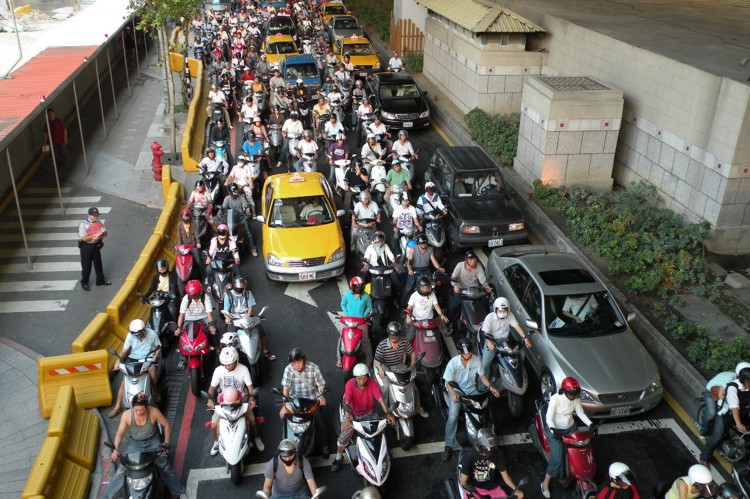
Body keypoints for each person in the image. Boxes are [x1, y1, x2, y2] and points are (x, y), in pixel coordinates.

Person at [104, 394, 186, 499]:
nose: (139, 412)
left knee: (165, 467)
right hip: (135, 443)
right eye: (136, 410)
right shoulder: (127, 415)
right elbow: (119, 434)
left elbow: (166, 426)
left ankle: (180, 492)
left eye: (141, 410)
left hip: (153, 441)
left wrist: (166, 444)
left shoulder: (153, 412)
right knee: (121, 470)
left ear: (146, 407)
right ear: (132, 407)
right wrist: (115, 450)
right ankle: (106, 497)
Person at [443, 338, 500, 462]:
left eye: (469, 352)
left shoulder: (476, 360)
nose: (468, 354)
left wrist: (491, 387)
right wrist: (453, 394)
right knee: (453, 417)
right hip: (457, 391)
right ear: (459, 352)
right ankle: (448, 445)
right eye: (465, 353)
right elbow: (448, 383)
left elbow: (483, 376)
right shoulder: (453, 363)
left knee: (484, 408)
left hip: (470, 390)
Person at [331, 363, 395, 472]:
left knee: (382, 432)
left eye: (364, 378)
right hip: (353, 415)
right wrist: (347, 419)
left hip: (370, 413)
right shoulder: (350, 385)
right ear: (355, 378)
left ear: (367, 377)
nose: (361, 381)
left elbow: (380, 399)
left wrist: (388, 413)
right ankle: (338, 457)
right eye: (359, 379)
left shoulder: (372, 383)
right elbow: (347, 402)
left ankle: (384, 452)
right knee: (343, 437)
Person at [541, 376, 594, 498]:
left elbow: (580, 413)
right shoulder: (555, 399)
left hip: (571, 428)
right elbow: (549, 418)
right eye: (571, 393)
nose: (573, 396)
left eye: (575, 393)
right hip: (555, 430)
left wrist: (590, 424)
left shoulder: (575, 398)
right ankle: (545, 484)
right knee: (558, 459)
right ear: (565, 391)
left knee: (582, 449)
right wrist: (554, 430)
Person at [207, 347, 265, 455]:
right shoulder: (218, 371)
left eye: (230, 364)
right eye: (225, 364)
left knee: (252, 421)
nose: (227, 366)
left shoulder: (243, 369)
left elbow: (250, 386)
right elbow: (211, 388)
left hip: (241, 400)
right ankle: (216, 442)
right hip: (223, 402)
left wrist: (251, 399)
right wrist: (210, 400)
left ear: (236, 360)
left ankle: (256, 438)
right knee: (214, 425)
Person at [279, 348, 330, 457]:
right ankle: (286, 444)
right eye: (294, 363)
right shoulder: (288, 370)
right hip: (294, 401)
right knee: (285, 420)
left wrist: (321, 395)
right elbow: (286, 388)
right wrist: (284, 405)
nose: (296, 365)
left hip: (311, 401)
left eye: (299, 362)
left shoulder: (314, 368)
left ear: (304, 360)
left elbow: (321, 384)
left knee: (320, 422)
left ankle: (324, 445)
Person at [107, 319, 162, 418]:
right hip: (134, 359)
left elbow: (158, 348)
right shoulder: (130, 336)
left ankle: (155, 391)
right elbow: (124, 351)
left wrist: (154, 358)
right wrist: (118, 361)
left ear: (143, 330)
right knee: (124, 383)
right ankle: (117, 407)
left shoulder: (152, 334)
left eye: (139, 333)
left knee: (152, 375)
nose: (137, 336)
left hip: (148, 357)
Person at [373, 321, 428, 418]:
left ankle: (418, 407)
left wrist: (412, 365)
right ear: (389, 334)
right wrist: (381, 369)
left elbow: (412, 353)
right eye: (392, 335)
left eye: (397, 335)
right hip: (386, 367)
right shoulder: (382, 345)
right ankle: (386, 411)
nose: (395, 337)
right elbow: (377, 361)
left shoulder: (404, 342)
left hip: (399, 365)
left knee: (412, 385)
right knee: (386, 387)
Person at [700, 362, 750, 466]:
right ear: (743, 380)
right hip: (726, 413)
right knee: (717, 436)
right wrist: (739, 424)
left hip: (743, 413)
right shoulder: (733, 387)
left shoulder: (747, 386)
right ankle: (704, 457)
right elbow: (734, 407)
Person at [460, 428, 525, 499]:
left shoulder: (498, 453)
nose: (491, 450)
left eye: (493, 447)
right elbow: (463, 482)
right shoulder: (469, 455)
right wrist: (470, 495)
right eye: (489, 448)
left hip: (492, 488)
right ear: (481, 446)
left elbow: (505, 475)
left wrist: (516, 490)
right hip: (474, 489)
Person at [223, 276, 275, 359]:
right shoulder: (228, 296)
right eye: (238, 287)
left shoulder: (248, 293)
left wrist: (247, 319)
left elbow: (250, 307)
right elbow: (226, 311)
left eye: (242, 286)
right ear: (234, 286)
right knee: (230, 337)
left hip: (247, 316)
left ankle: (265, 351)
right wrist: (227, 318)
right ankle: (231, 355)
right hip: (234, 319)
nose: (240, 288)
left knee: (260, 332)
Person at [480, 297, 532, 377]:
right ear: (495, 309)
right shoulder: (489, 318)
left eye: (504, 310)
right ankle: (482, 387)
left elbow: (516, 326)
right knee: (484, 365)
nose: (502, 312)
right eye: (500, 310)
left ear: (508, 310)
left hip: (504, 340)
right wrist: (489, 343)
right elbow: (486, 333)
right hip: (492, 340)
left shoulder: (510, 315)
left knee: (518, 354)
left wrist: (525, 338)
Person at [337, 276, 373, 368]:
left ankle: (369, 360)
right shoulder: (347, 294)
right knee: (342, 338)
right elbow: (343, 304)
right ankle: (339, 358)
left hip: (361, 321)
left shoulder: (366, 296)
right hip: (348, 321)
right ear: (352, 287)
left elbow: (369, 306)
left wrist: (364, 315)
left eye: (361, 286)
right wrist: (347, 313)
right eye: (357, 286)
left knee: (365, 341)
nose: (360, 288)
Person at [450, 250, 492, 326]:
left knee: (485, 302)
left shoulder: (478, 266)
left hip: (474, 290)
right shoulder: (460, 265)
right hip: (461, 290)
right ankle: (451, 322)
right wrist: (455, 286)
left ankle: (488, 321)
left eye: (474, 259)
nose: (473, 261)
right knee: (455, 305)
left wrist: (486, 286)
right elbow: (453, 276)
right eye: (471, 259)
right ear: (466, 260)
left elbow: (482, 277)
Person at [402, 233, 443, 308]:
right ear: (418, 244)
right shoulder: (413, 249)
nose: (424, 245)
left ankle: (435, 303)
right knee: (408, 287)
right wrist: (410, 270)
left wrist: (439, 268)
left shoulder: (430, 249)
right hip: (414, 269)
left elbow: (433, 260)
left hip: (425, 269)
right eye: (422, 244)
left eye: (425, 243)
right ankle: (404, 305)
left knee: (433, 284)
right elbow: (409, 261)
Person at [405, 275, 449, 341]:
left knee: (436, 338)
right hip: (416, 321)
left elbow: (436, 306)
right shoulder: (414, 296)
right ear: (419, 288)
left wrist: (442, 315)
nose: (425, 290)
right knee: (409, 339)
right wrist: (408, 317)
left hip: (429, 320)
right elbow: (408, 309)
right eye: (423, 288)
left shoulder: (432, 294)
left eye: (427, 288)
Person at [78, 206, 110, 291]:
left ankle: (100, 280)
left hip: (96, 245)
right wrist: (95, 235)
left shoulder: (99, 222)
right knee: (86, 266)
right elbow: (84, 238)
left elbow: (105, 233)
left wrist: (99, 237)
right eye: (94, 215)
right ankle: (84, 282)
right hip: (86, 247)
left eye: (97, 215)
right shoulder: (83, 224)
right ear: (88, 215)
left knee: (98, 263)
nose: (96, 217)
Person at [175, 279, 217, 344]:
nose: (193, 297)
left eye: (195, 295)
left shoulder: (206, 298)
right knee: (183, 335)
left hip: (203, 317)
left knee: (213, 334)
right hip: (189, 318)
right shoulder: (186, 298)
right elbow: (182, 315)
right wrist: (179, 328)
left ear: (200, 292)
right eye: (191, 295)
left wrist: (212, 327)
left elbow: (209, 314)